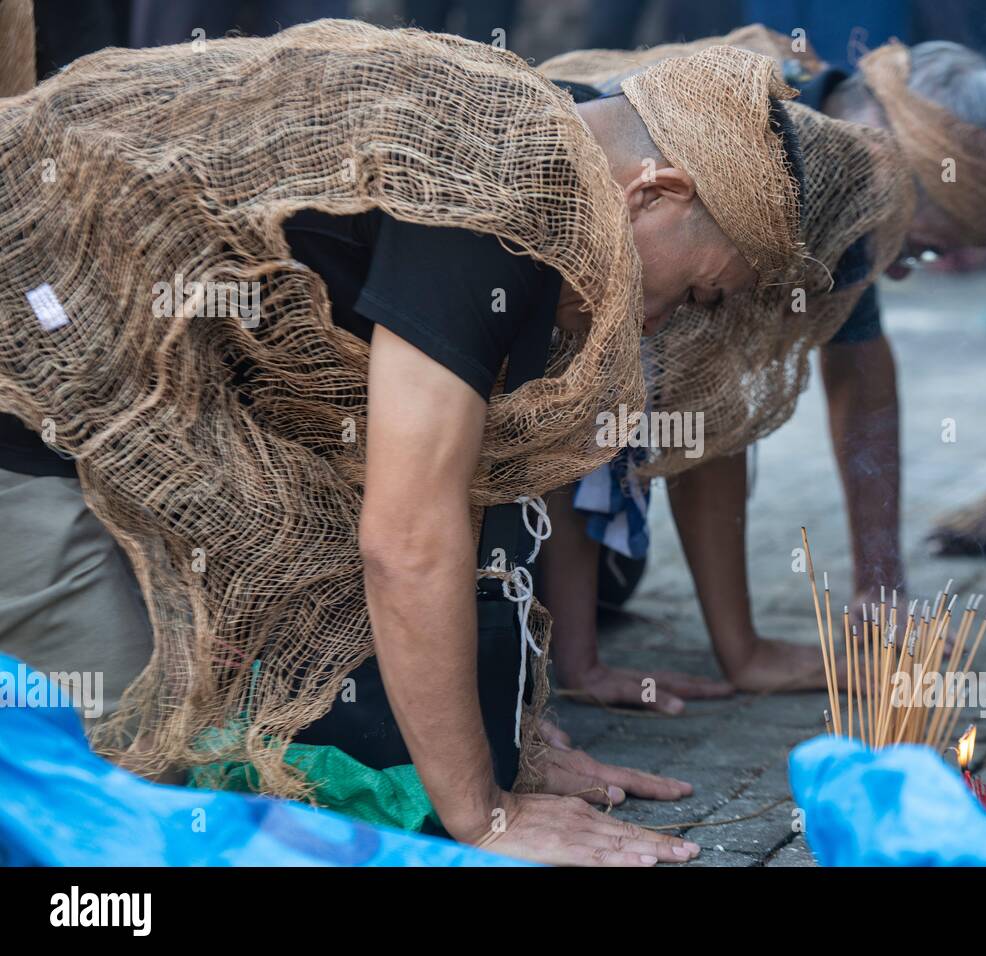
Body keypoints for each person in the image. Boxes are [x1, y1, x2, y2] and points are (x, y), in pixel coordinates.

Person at [0, 21, 805, 864]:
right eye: (697, 290)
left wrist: (507, 750)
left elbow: (456, 516)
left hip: (129, 377)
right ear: (656, 192)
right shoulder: (497, 198)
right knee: (130, 788)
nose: (663, 321)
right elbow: (408, 544)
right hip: (31, 378)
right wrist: (487, 816)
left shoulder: (564, 161)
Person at [537, 26, 986, 712]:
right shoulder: (766, 173)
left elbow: (864, 381)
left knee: (616, 576)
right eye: (926, 248)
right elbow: (686, 412)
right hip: (501, 401)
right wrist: (734, 654)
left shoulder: (850, 177)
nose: (907, 269)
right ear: (898, 175)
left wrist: (881, 584)